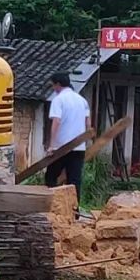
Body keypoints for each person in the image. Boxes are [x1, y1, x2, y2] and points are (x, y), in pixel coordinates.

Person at [45, 71, 91, 203]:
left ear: (58, 84)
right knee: (74, 180)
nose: (53, 88)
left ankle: (51, 206)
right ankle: (74, 211)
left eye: (53, 85)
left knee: (51, 177)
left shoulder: (58, 100)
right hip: (78, 147)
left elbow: (56, 122)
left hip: (61, 147)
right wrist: (84, 143)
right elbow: (88, 123)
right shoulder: (82, 100)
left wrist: (52, 146)